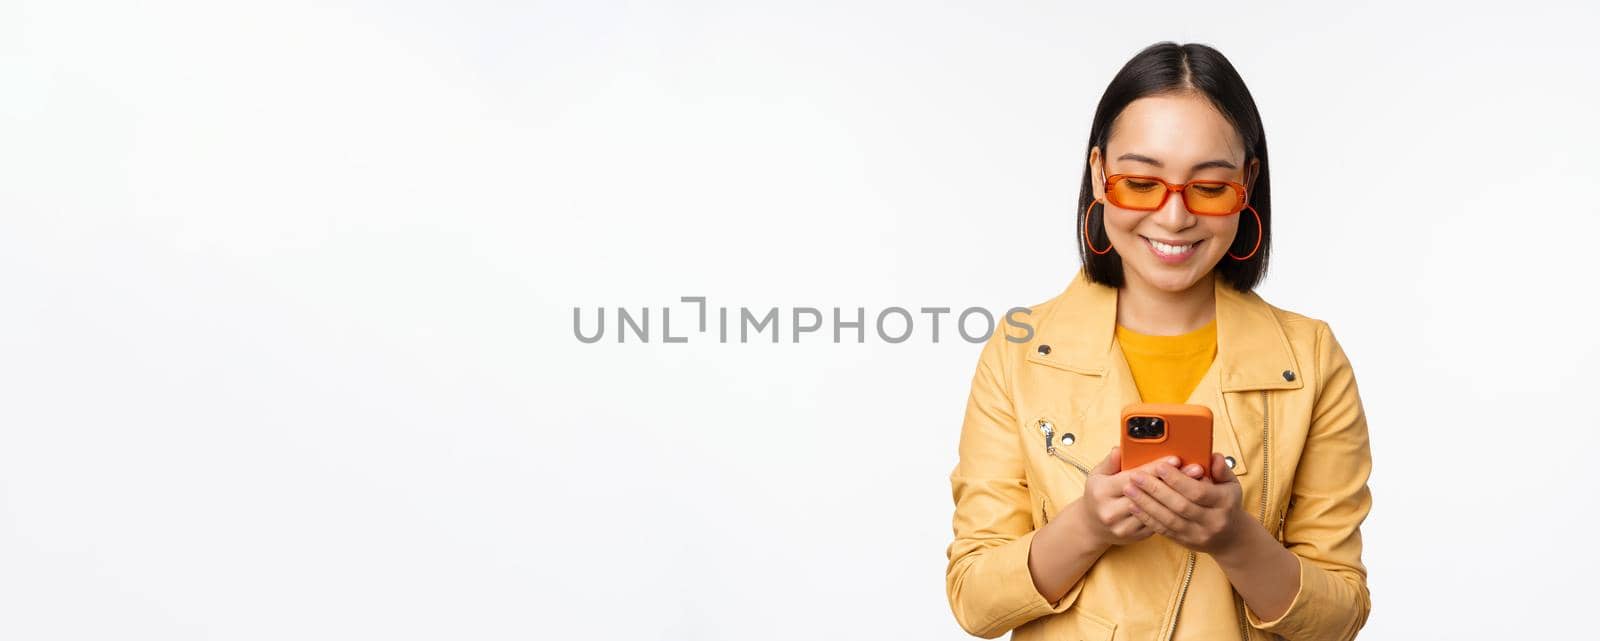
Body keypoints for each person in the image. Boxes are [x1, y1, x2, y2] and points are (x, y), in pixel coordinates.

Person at [944, 42, 1373, 641]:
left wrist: (1234, 537)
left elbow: (1339, 617)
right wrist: (1089, 525)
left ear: (1247, 182)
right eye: (1141, 183)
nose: (1174, 218)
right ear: (1098, 174)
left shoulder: (1310, 359)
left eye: (1209, 187)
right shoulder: (1020, 351)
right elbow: (975, 602)